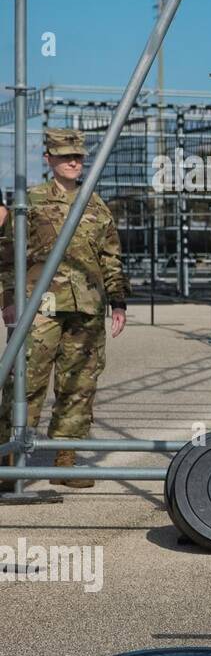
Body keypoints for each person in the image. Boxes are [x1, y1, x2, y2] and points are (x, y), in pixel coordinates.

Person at [0, 128, 130, 489]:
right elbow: (8, 254)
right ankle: (8, 459)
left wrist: (118, 301)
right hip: (39, 307)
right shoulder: (31, 202)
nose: (73, 162)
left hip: (86, 308)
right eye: (64, 156)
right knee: (24, 382)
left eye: (78, 157)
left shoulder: (97, 205)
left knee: (79, 384)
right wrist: (8, 301)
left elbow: (111, 257)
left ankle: (65, 458)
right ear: (49, 160)